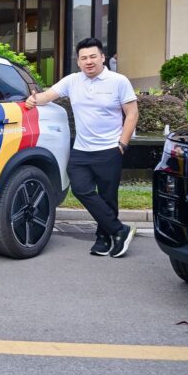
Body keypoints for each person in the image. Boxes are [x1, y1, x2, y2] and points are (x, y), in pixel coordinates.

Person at [25, 38, 138, 258]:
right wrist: (33, 100)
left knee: (108, 197)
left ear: (103, 57)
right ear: (78, 61)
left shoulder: (118, 81)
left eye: (93, 56)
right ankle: (119, 230)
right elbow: (48, 95)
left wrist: (122, 144)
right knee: (80, 189)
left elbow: (132, 113)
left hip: (110, 148)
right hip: (81, 150)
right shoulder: (72, 81)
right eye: (83, 58)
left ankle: (104, 238)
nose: (89, 61)